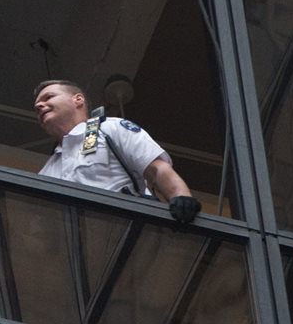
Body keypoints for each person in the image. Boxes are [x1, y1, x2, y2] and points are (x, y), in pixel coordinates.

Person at [32, 79, 202, 224]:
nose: (40, 105)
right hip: (75, 248)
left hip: (125, 230)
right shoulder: (47, 170)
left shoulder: (108, 129)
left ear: (78, 100)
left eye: (49, 97)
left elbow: (156, 168)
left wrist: (181, 198)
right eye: (36, 106)